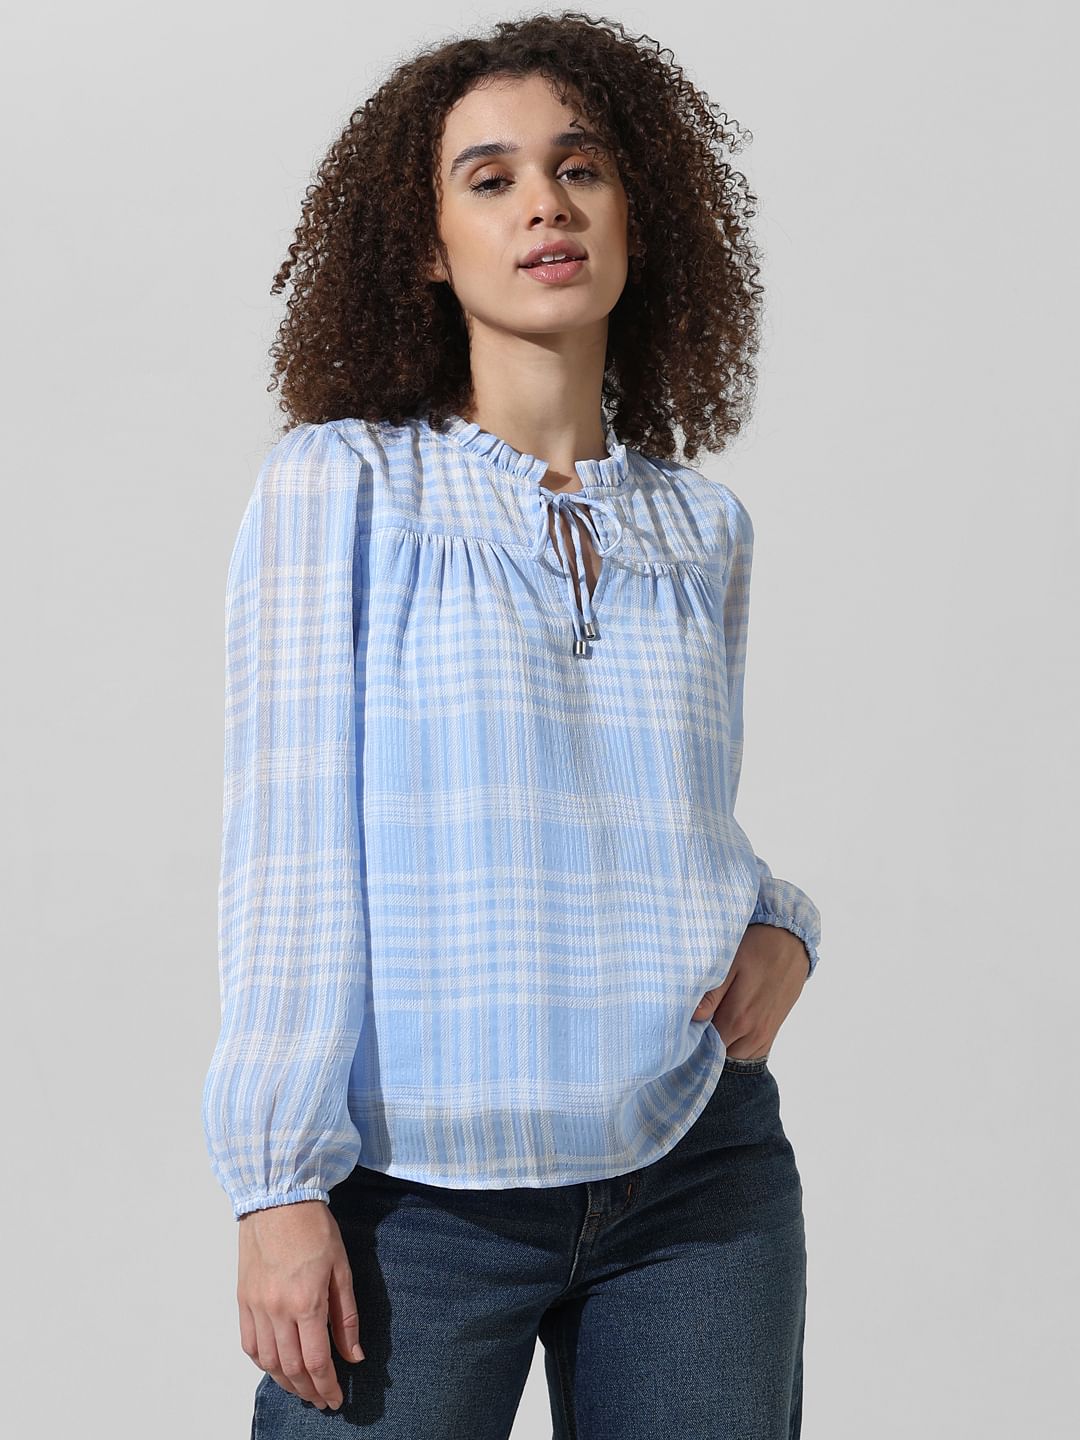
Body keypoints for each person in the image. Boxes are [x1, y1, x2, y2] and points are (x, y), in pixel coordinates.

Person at [201, 14, 822, 1438]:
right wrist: (277, 1181)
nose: (545, 202)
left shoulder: (700, 527)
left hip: (698, 1177)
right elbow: (290, 842)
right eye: (490, 179)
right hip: (417, 1196)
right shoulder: (343, 490)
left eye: (579, 168)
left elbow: (672, 816)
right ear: (427, 245)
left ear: (637, 214)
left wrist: (780, 926)